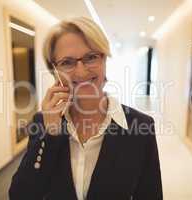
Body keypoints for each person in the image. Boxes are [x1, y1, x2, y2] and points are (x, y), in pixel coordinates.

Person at [9, 17, 162, 200]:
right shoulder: (43, 121)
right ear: (54, 71)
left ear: (104, 59)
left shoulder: (141, 125)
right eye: (67, 62)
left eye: (91, 57)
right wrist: (51, 134)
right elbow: (21, 195)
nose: (81, 72)